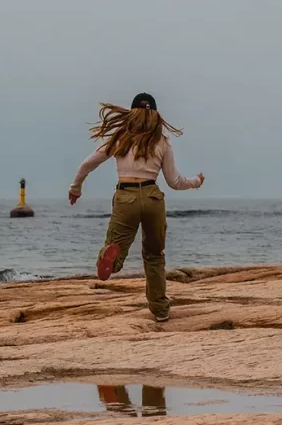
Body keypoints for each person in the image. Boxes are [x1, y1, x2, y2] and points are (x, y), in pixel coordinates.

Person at [68, 93, 204, 322]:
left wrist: (76, 188)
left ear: (131, 113)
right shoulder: (161, 142)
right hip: (152, 198)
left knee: (117, 245)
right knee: (154, 256)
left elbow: (88, 163)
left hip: (126, 196)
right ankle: (160, 310)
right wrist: (196, 182)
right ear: (155, 115)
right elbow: (174, 182)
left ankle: (110, 257)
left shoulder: (121, 138)